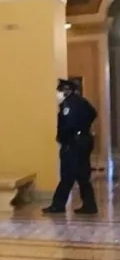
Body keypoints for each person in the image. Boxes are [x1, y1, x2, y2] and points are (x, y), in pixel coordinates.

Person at [43, 78, 98, 215]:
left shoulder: (68, 104)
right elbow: (93, 113)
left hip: (73, 144)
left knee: (67, 175)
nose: (58, 93)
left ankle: (58, 205)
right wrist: (83, 127)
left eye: (60, 90)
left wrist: (64, 139)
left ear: (67, 90)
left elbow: (68, 125)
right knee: (83, 176)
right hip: (84, 141)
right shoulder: (81, 101)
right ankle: (90, 205)